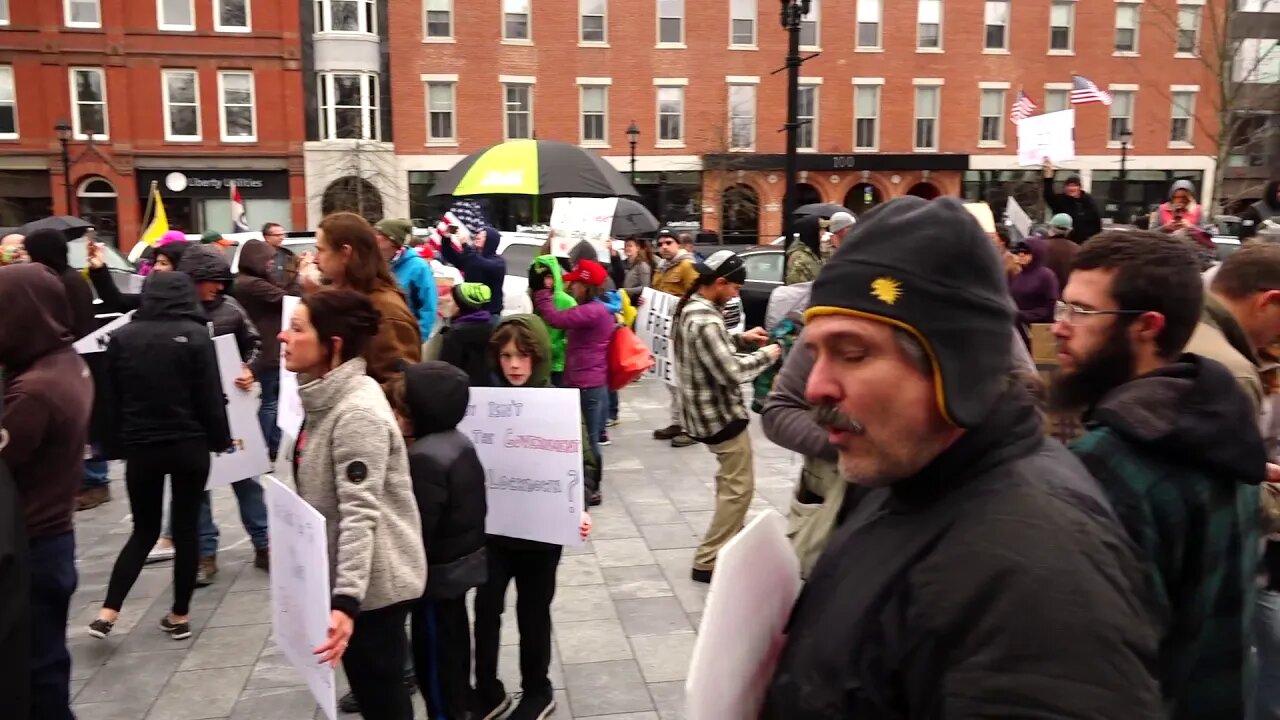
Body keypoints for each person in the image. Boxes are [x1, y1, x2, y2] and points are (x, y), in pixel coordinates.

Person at [762, 196, 1162, 718]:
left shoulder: (1035, 578)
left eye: (853, 353)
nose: (815, 389)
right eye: (816, 353)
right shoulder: (907, 476)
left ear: (956, 366)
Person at [1052, 231, 1264, 719]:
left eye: (1082, 311)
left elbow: (1094, 662)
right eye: (1064, 308)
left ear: (1147, 326)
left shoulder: (1110, 462)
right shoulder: (1220, 423)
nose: (1060, 327)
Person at [282, 288, 427, 720]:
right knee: (372, 694)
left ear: (334, 345)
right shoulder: (324, 397)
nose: (283, 338)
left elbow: (358, 514)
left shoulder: (355, 413)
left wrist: (345, 603)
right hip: (353, 583)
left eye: (296, 328)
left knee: (382, 699)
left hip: (374, 588)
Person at [89, 272, 231, 643]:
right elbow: (210, 397)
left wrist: (114, 446)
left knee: (143, 530)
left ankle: (109, 610)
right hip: (190, 445)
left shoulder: (121, 338)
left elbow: (109, 401)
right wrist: (221, 439)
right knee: (186, 530)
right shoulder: (198, 336)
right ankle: (180, 615)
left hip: (142, 447)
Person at [473, 314, 594, 720]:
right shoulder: (486, 404)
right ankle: (487, 688)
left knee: (533, 610)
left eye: (523, 355)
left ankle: (537, 689)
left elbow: (586, 464)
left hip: (542, 536)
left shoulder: (560, 405)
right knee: (487, 607)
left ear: (538, 357)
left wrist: (581, 506)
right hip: (494, 534)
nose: (514, 365)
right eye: (506, 355)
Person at [1180, 243, 1280, 716]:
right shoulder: (1232, 370)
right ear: (1268, 300)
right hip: (1208, 573)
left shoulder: (1184, 328)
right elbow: (1223, 494)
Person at [0, 264, 94, 720]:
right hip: (54, 534)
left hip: (31, 544)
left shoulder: (33, 391)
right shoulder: (66, 361)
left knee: (36, 672)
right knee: (47, 662)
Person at [672, 251, 781, 582]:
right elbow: (731, 371)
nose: (735, 294)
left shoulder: (693, 308)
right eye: (734, 288)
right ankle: (708, 559)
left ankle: (731, 542)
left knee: (730, 483)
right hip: (719, 416)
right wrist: (766, 354)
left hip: (702, 413)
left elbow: (707, 347)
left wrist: (741, 338)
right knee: (740, 489)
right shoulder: (705, 319)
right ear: (718, 283)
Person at [388, 362, 487, 720]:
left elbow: (418, 529)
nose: (396, 419)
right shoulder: (457, 442)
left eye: (401, 412)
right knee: (455, 646)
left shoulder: (423, 458)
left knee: (435, 662)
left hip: (435, 579)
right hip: (458, 571)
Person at [168, 245, 265, 585]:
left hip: (231, 408)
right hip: (190, 411)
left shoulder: (231, 308)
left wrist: (249, 369)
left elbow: (255, 343)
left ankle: (264, 543)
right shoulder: (174, 313)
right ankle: (204, 553)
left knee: (244, 476)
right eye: (212, 281)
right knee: (198, 485)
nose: (219, 288)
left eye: (222, 281)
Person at [533, 259, 616, 505]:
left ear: (586, 286)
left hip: (587, 384)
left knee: (589, 439)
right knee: (583, 437)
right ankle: (583, 482)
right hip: (585, 381)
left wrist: (542, 292)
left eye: (576, 284)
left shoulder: (593, 311)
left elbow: (556, 319)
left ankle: (594, 487)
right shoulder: (598, 308)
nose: (571, 289)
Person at [306, 212, 422, 385]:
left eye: (321, 250)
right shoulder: (342, 298)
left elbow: (400, 387)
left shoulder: (386, 310)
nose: (315, 259)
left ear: (345, 253)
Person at [231, 238, 299, 465]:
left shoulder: (250, 281)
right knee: (271, 400)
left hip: (269, 346)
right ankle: (261, 448)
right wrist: (301, 273)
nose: (272, 263)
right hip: (269, 347)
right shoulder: (251, 284)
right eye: (268, 259)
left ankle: (271, 447)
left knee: (272, 398)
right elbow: (287, 298)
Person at [649, 229, 702, 447]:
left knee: (683, 381)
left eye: (668, 242)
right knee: (670, 380)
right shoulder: (661, 268)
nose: (664, 247)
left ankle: (692, 429)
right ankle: (677, 422)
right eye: (660, 243)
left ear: (678, 244)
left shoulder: (686, 266)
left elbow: (699, 294)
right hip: (665, 331)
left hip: (682, 330)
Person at [87, 235, 190, 314]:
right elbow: (117, 301)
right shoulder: (151, 297)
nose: (156, 268)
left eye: (163, 263)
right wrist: (98, 268)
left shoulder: (193, 303)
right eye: (156, 262)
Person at [375, 218, 439, 340]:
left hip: (405, 338)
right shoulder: (374, 263)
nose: (374, 237)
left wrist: (418, 339)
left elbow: (429, 306)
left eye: (379, 233)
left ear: (392, 240)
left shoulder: (418, 267)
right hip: (381, 338)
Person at [438, 224, 505, 316]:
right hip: (470, 310)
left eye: (483, 235)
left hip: (490, 313)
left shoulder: (498, 263)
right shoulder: (472, 257)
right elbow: (451, 256)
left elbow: (479, 264)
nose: (478, 236)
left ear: (491, 241)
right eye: (478, 234)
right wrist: (446, 238)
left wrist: (465, 244)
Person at [438, 282, 496, 386]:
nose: (445, 303)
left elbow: (446, 371)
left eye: (451, 301)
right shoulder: (491, 325)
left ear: (460, 306)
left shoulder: (455, 334)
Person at [1043, 160, 1103, 243]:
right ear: (1065, 188)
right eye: (1069, 186)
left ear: (1080, 187)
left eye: (1074, 186)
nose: (1071, 188)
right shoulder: (1060, 200)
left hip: (1084, 242)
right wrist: (1048, 178)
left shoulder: (1088, 201)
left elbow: (1096, 223)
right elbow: (1048, 195)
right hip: (1063, 242)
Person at [1008, 235, 1060, 327]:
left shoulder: (1046, 276)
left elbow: (1050, 307)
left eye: (1026, 251)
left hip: (1037, 330)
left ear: (1037, 253)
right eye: (1019, 251)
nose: (1021, 254)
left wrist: (1023, 315)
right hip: (1017, 328)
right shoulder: (1018, 275)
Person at [1044, 212, 1080, 291]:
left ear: (1051, 227)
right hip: (1067, 296)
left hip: (1044, 295)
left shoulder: (1041, 247)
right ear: (1069, 231)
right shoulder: (1077, 249)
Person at [785, 214, 824, 285]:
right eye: (820, 230)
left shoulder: (815, 253)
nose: (823, 233)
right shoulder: (799, 257)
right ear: (811, 232)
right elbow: (797, 288)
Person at [261, 221, 298, 287]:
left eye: (283, 234)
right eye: (277, 235)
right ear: (267, 237)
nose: (282, 238)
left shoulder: (288, 255)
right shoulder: (256, 254)